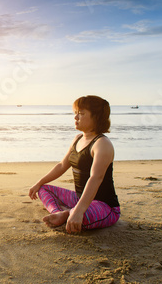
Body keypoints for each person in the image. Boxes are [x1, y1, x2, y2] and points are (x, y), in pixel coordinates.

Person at [29, 95, 120, 233]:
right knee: (43, 189)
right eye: (75, 113)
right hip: (79, 199)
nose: (76, 117)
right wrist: (38, 182)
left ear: (97, 117)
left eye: (81, 114)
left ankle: (68, 214)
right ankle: (59, 213)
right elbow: (61, 165)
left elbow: (96, 178)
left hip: (104, 206)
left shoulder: (102, 144)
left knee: (80, 218)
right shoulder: (77, 139)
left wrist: (78, 211)